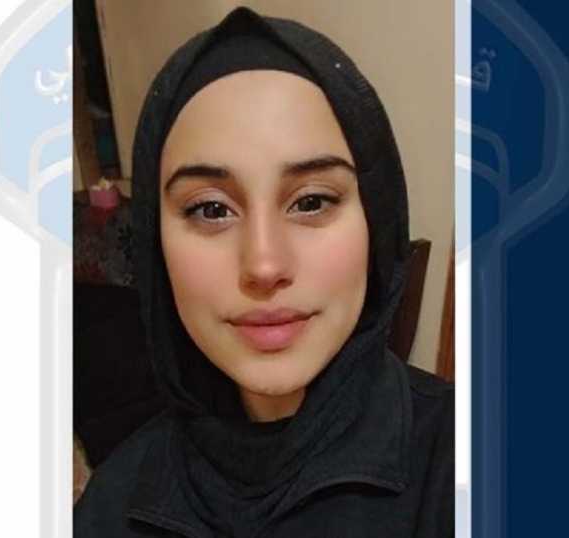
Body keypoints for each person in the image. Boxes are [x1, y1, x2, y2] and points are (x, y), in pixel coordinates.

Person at [74, 7, 454, 537]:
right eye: (211, 209)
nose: (264, 265)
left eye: (312, 201)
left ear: (377, 220)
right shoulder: (110, 504)